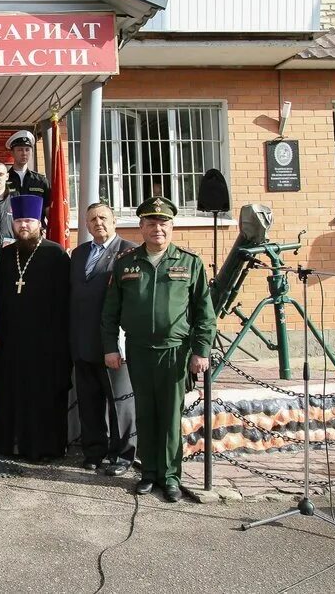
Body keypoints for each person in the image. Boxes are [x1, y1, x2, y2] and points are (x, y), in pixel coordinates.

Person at [102, 196, 216, 502]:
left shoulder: (189, 263)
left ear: (172, 227)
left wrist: (201, 351)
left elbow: (205, 313)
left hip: (175, 352)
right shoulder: (126, 262)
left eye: (163, 223)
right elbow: (110, 312)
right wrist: (110, 348)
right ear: (141, 227)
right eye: (151, 223)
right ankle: (149, 473)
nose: (157, 229)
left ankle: (170, 477)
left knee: (169, 416)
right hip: (138, 350)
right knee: (145, 414)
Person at [0, 194, 71, 462]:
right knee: (12, 392)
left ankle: (42, 447)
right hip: (12, 341)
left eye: (29, 221)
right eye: (20, 220)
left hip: (45, 343)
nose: (24, 225)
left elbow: (64, 301)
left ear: (39, 223)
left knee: (41, 395)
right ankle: (8, 444)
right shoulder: (4, 256)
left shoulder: (55, 253)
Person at [69, 203, 137, 476]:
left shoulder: (128, 251)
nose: (98, 223)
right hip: (82, 340)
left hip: (112, 343)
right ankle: (94, 451)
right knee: (89, 401)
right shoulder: (79, 253)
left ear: (114, 220)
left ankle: (122, 455)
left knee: (120, 401)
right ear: (86, 225)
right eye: (92, 219)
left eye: (103, 218)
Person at [5, 131, 50, 221]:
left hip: (35, 231)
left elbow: (48, 209)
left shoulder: (41, 181)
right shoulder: (3, 179)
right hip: (11, 231)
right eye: (20, 149)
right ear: (12, 153)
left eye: (27, 149)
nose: (24, 153)